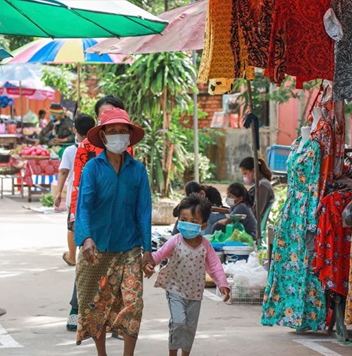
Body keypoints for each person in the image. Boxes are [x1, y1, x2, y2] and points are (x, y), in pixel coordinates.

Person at [75, 107, 152, 355]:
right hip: (96, 248)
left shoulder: (138, 170)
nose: (118, 135)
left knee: (133, 304)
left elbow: (144, 211)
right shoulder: (92, 169)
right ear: (104, 136)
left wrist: (148, 249)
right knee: (98, 305)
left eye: (122, 131)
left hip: (129, 247)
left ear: (129, 136)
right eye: (112, 131)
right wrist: (85, 238)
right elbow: (83, 207)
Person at [65, 95, 125, 332]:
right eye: (103, 114)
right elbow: (78, 185)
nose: (108, 118)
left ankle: (116, 318)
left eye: (113, 112)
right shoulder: (85, 148)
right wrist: (75, 218)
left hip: (119, 219)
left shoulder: (126, 146)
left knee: (119, 267)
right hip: (92, 216)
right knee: (87, 264)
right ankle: (76, 308)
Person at [144, 193, 230, 356]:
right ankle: (172, 353)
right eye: (183, 220)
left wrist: (223, 284)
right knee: (178, 322)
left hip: (195, 293)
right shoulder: (175, 240)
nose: (187, 225)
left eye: (193, 221)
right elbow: (159, 255)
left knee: (190, 327)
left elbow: (215, 266)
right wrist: (149, 264)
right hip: (175, 289)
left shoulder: (205, 246)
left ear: (203, 226)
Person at [54, 114, 96, 269]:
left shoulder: (71, 151)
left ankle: (72, 257)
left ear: (74, 130)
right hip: (95, 197)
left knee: (72, 226)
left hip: (76, 196)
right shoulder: (100, 150)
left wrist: (58, 193)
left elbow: (63, 172)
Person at [239, 157, 275, 222]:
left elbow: (256, 213)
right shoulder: (259, 184)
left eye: (245, 174)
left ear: (253, 171)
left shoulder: (263, 186)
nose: (244, 177)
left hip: (253, 225)